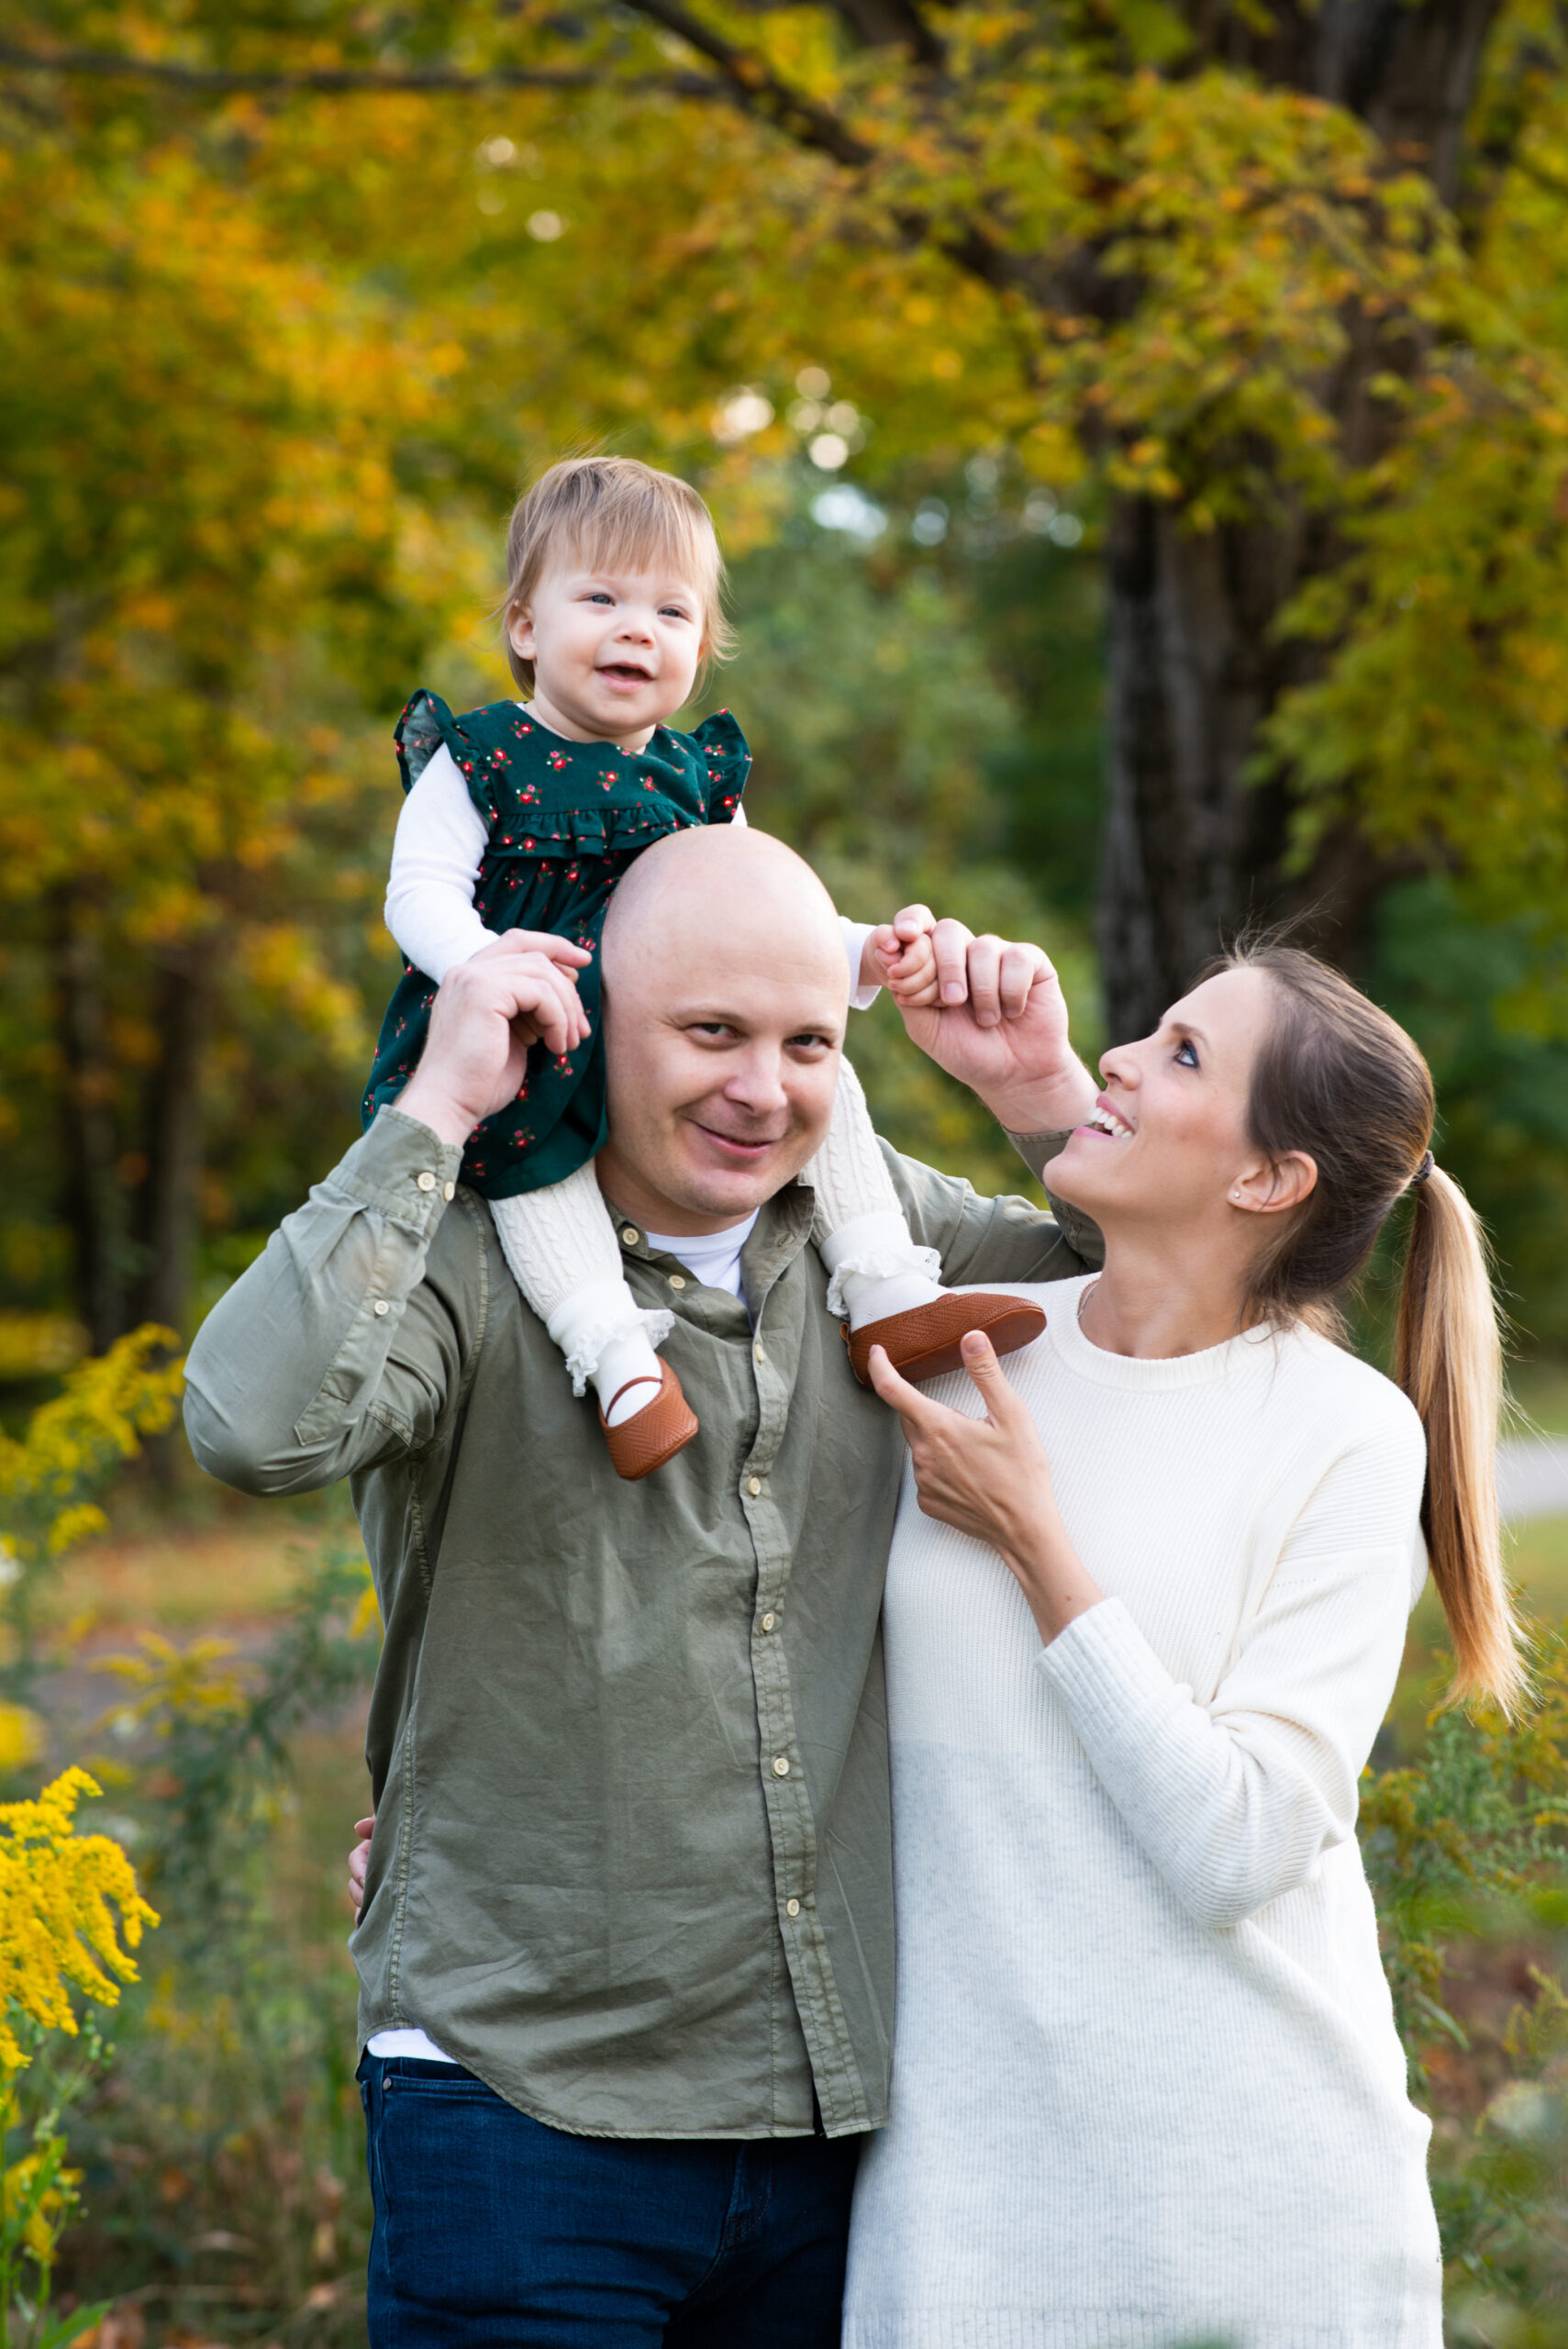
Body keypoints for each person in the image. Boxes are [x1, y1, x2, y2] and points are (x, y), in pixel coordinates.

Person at [184, 819, 1104, 2346]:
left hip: (835, 2116)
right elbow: (251, 1427)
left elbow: (1165, 1316)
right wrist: (433, 1104)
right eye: (710, 1034)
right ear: (595, 1019)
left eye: (807, 1041)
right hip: (522, 2115)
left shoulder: (878, 1229)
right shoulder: (470, 1252)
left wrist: (1035, 1097)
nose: (762, 1089)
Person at [841, 942, 1521, 2349]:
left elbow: (1238, 1848)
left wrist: (1040, 1550)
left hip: (1256, 2231)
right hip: (956, 2216)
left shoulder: (1339, 1434)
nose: (1118, 1059)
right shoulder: (969, 1347)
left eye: (1185, 1056)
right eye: (1147, 1034)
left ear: (1269, 1180)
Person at [364, 453, 1043, 1479]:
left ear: (702, 646)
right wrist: (483, 966)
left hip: (689, 1028)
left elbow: (763, 925)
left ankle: (885, 1292)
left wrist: (860, 950)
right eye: (600, 597)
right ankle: (619, 1362)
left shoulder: (695, 779)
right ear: (525, 626)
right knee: (528, 1161)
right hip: (537, 1020)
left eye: (671, 611)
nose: (638, 627)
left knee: (821, 1075)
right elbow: (415, 892)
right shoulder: (482, 759)